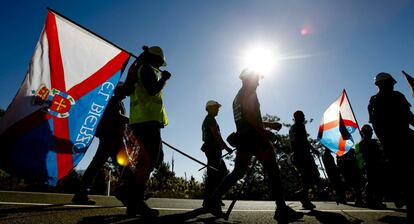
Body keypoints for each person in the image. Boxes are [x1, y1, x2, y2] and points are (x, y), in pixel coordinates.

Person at [205, 69, 303, 223]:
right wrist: (264, 132)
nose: (258, 83)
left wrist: (269, 124)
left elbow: (248, 118)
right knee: (273, 169)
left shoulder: (237, 98)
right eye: (256, 79)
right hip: (256, 139)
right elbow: (251, 117)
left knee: (238, 172)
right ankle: (281, 208)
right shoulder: (249, 92)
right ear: (247, 79)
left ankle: (213, 199)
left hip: (244, 139)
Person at [117, 45, 171, 218]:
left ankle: (128, 195)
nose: (160, 66)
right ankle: (136, 200)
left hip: (140, 121)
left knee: (142, 159)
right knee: (147, 161)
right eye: (159, 62)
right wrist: (164, 79)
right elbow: (152, 90)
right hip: (147, 122)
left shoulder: (138, 69)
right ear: (154, 59)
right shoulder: (146, 69)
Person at [368, 72, 414, 221]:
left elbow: (374, 124)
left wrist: (383, 140)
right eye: (390, 83)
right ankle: (400, 195)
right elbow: (408, 116)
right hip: (401, 138)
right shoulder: (396, 97)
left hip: (390, 141)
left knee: (398, 169)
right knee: (404, 169)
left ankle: (399, 195)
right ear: (386, 83)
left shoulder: (373, 100)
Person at [71, 83, 127, 205]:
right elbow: (118, 117)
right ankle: (128, 194)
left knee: (98, 165)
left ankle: (81, 193)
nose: (126, 94)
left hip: (113, 138)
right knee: (124, 166)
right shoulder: (113, 101)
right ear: (118, 91)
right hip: (110, 139)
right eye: (124, 90)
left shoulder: (118, 102)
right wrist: (133, 121)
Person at [201, 100, 232, 207]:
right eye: (215, 107)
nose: (218, 109)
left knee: (222, 172)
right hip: (212, 150)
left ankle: (215, 197)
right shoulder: (210, 120)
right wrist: (227, 147)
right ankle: (209, 200)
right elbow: (216, 136)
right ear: (209, 108)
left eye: (218, 107)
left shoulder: (210, 119)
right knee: (213, 175)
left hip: (214, 150)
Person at [289, 110, 320, 210]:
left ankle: (303, 196)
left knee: (306, 177)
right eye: (302, 116)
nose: (304, 117)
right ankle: (303, 195)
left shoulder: (292, 128)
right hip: (303, 155)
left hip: (297, 155)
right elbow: (303, 141)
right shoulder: (299, 126)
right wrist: (313, 149)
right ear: (297, 117)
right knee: (313, 175)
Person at [357, 124, 386, 209]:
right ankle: (370, 201)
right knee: (372, 183)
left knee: (378, 183)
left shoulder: (373, 142)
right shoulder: (362, 143)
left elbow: (380, 152)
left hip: (377, 164)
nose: (371, 133)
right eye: (370, 131)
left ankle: (377, 201)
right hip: (370, 164)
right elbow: (362, 154)